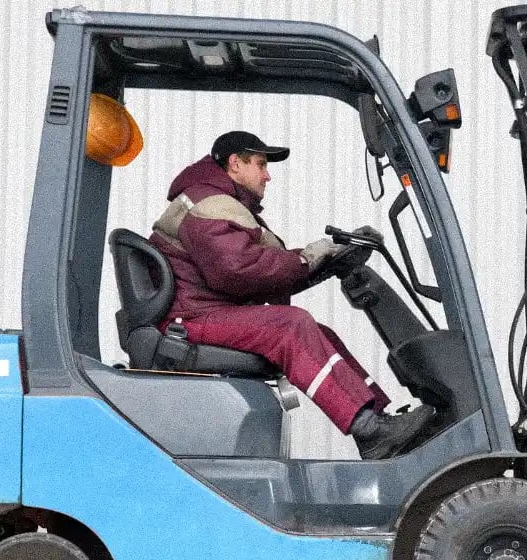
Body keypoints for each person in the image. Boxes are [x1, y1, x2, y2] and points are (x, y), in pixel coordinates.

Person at [149, 130, 434, 459]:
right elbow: (235, 269)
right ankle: (370, 431)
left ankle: (379, 425)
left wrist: (318, 259)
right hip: (193, 317)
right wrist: (304, 259)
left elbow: (255, 269)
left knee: (317, 333)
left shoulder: (219, 201)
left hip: (207, 309)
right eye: (260, 164)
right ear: (235, 163)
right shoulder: (208, 204)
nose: (267, 175)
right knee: (290, 326)